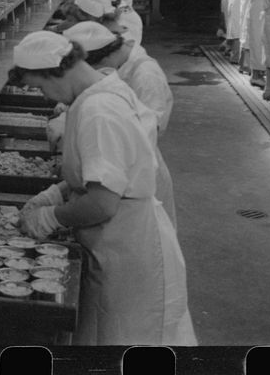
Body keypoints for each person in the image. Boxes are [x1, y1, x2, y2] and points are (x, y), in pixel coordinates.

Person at [10, 31, 196, 346]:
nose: (44, 97)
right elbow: (102, 174)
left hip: (127, 245)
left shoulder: (99, 112)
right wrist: (59, 191)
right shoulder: (100, 91)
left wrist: (51, 217)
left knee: (130, 339)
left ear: (57, 70)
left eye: (40, 87)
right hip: (120, 240)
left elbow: (101, 203)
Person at [62, 22, 177, 228]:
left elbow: (150, 132)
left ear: (99, 61)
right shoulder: (117, 73)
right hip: (125, 190)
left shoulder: (145, 75)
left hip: (135, 201)